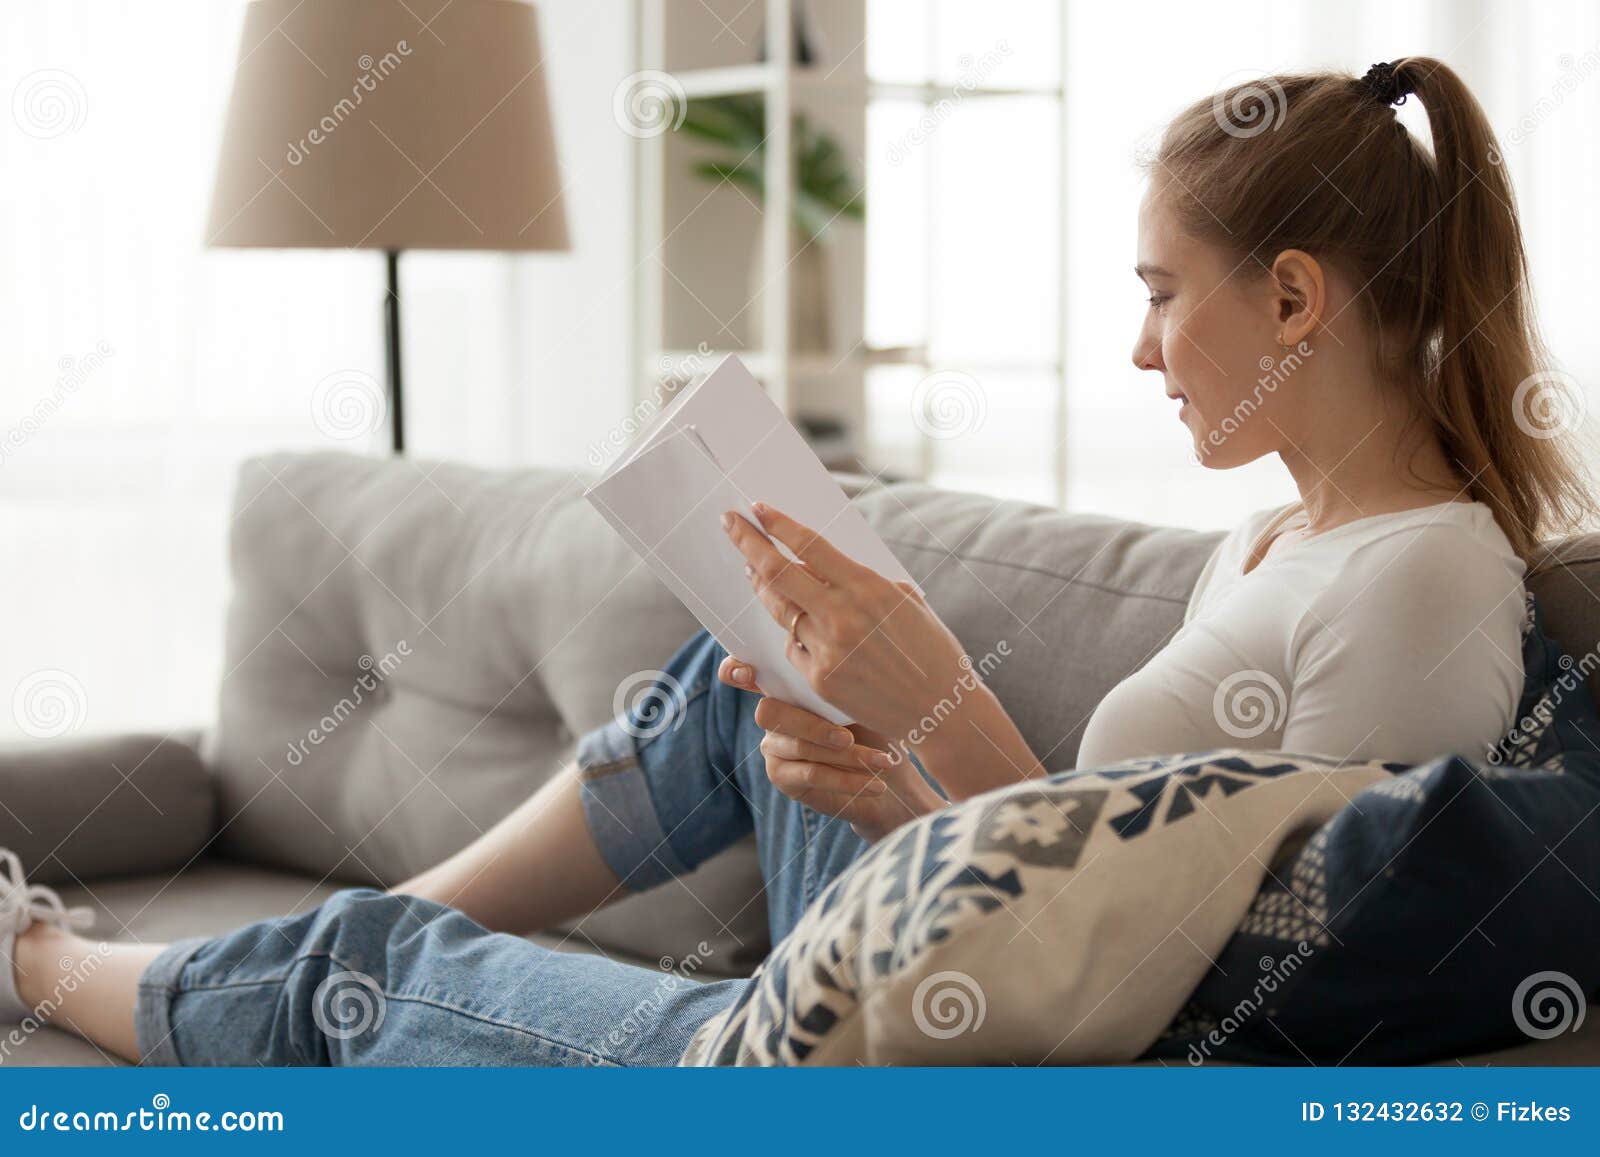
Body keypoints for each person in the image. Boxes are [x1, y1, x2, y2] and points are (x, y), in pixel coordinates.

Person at [2, 57, 1591, 1067]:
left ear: (1297, 302)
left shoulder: (1428, 589)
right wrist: (905, 787)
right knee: (740, 666)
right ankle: (323, 929)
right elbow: (1128, 875)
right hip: (959, 970)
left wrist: (946, 711)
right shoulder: (1270, 542)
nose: (1141, 344)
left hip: (932, 1067)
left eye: (1166, 292)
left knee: (378, 965)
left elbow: (1258, 1009)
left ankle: (47, 955)